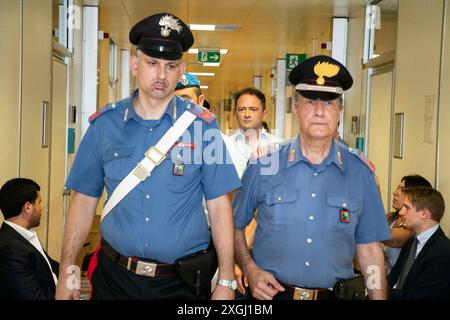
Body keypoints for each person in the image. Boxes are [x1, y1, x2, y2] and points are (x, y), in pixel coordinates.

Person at [56, 13, 241, 300]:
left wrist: (226, 281)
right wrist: (68, 271)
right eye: (152, 63)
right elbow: (83, 201)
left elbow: (219, 207)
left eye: (171, 66)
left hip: (180, 283)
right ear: (134, 65)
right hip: (115, 278)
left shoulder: (203, 128)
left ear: (181, 71)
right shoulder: (104, 125)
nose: (162, 75)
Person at [233, 55, 390, 300]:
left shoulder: (360, 173)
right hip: (272, 296)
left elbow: (370, 249)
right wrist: (249, 269)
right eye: (310, 101)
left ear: (340, 110)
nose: (319, 111)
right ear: (295, 108)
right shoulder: (264, 164)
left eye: (328, 103)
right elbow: (234, 225)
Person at [0, 178, 59, 300]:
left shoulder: (25, 237)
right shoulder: (11, 249)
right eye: (39, 202)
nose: (41, 208)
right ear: (28, 207)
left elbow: (51, 268)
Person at [388, 187, 450, 299]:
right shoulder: (412, 241)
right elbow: (392, 279)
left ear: (424, 213)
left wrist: (377, 289)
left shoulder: (443, 252)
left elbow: (416, 297)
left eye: (407, 208)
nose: (401, 212)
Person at [229, 87, 283, 179]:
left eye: (253, 109)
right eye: (242, 109)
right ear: (235, 113)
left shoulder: (280, 146)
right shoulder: (225, 146)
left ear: (264, 114)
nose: (247, 115)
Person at [382, 175, 432, 272]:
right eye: (398, 188)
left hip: (399, 285)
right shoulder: (391, 217)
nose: (395, 192)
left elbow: (383, 234)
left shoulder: (413, 227)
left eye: (402, 189)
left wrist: (376, 190)